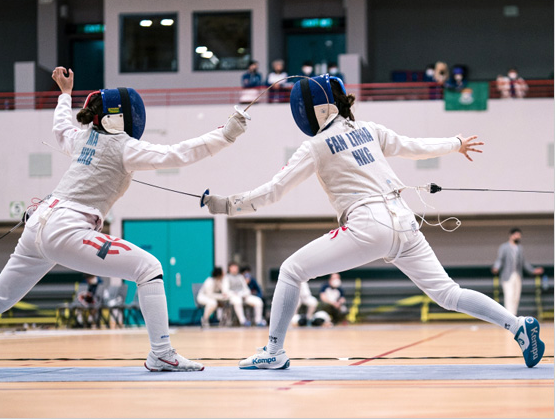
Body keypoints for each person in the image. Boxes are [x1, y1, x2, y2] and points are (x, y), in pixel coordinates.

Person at [0, 66, 250, 373]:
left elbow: (61, 127)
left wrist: (64, 94)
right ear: (120, 116)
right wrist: (227, 134)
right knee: (150, 268)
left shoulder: (83, 138)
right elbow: (179, 153)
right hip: (67, 227)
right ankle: (161, 354)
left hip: (38, 225)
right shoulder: (124, 146)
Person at [202, 73, 545, 370]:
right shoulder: (368, 129)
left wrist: (225, 204)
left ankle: (273, 351)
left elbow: (273, 192)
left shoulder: (317, 145)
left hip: (369, 225)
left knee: (292, 271)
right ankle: (518, 325)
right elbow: (413, 146)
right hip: (405, 222)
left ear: (311, 110)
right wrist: (455, 143)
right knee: (448, 293)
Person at [491, 228, 544, 316]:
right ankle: (509, 316)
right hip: (507, 276)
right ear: (511, 235)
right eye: (516, 235)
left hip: (518, 275)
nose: (518, 237)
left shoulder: (520, 248)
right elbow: (500, 260)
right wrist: (496, 267)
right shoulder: (504, 247)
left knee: (516, 297)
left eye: (519, 236)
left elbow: (524, 262)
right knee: (509, 295)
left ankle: (514, 315)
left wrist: (533, 270)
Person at [226, 262, 265, 327]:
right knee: (237, 301)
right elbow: (226, 290)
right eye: (233, 267)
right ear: (229, 268)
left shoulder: (240, 277)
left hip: (243, 295)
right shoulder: (226, 277)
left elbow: (246, 289)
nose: (235, 268)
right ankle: (243, 321)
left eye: (236, 266)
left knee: (258, 301)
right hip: (233, 296)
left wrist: (245, 294)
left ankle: (258, 321)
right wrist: (235, 294)